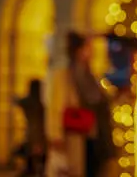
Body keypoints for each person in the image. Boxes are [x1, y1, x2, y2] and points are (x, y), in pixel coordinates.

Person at [46, 31, 115, 177]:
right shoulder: (64, 75)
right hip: (76, 136)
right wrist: (55, 135)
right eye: (88, 48)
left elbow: (100, 101)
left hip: (97, 136)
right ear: (79, 51)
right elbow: (55, 108)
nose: (92, 52)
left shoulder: (92, 74)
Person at [16, 79, 46, 176]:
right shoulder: (42, 103)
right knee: (37, 162)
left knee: (32, 162)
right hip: (41, 134)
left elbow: (18, 101)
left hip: (31, 134)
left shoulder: (28, 102)